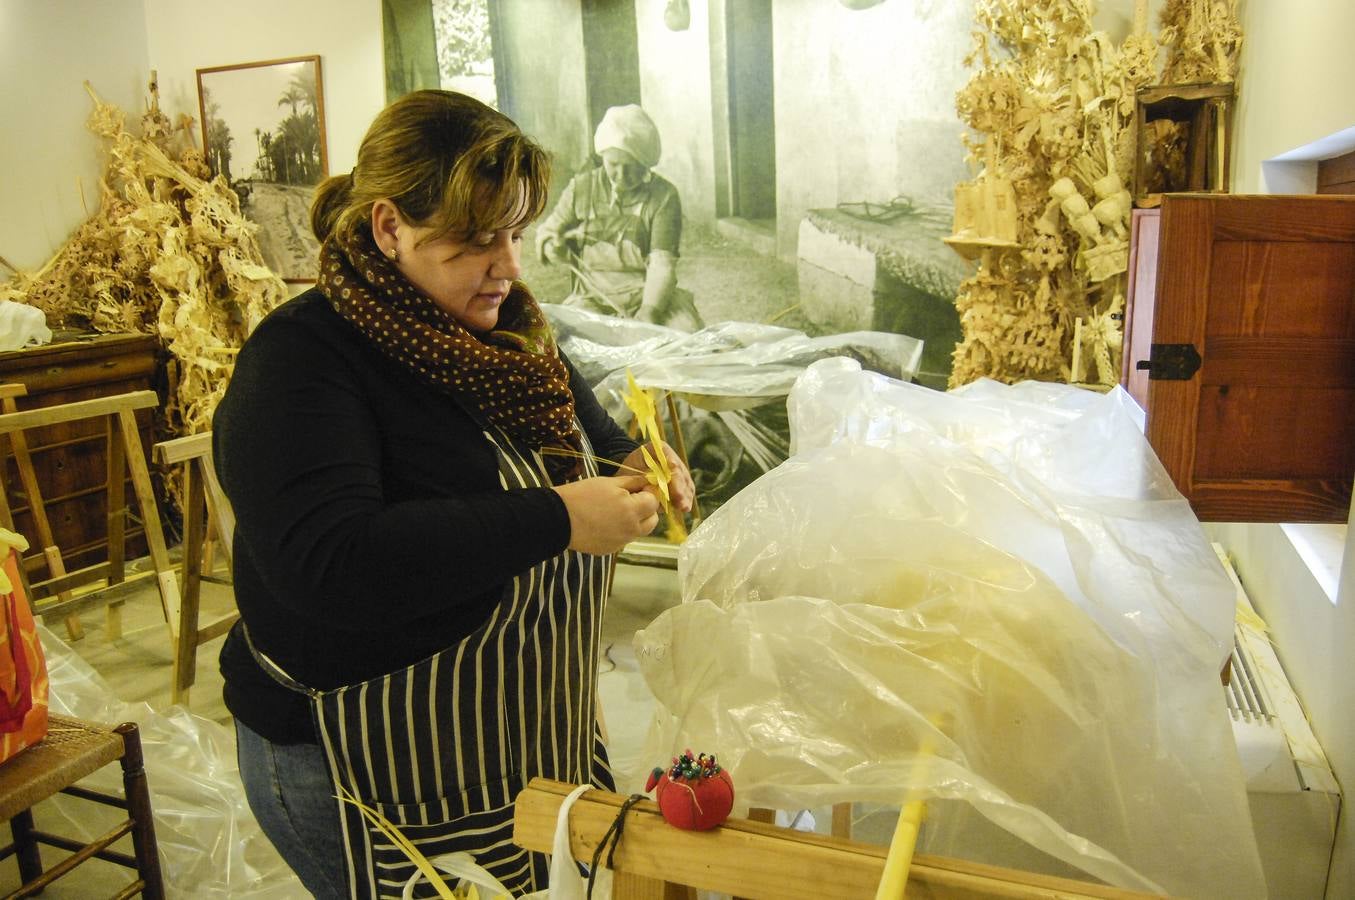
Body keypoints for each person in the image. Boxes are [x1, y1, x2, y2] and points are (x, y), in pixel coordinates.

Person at [212, 90, 694, 899]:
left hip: (523, 729)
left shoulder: (511, 333)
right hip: (366, 759)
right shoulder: (301, 360)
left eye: (513, 233)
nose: (508, 265)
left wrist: (640, 460)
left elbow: (597, 437)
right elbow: (331, 564)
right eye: (475, 242)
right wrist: (556, 518)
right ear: (389, 227)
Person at [535, 104, 704, 330]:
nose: (622, 175)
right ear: (602, 155)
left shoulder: (663, 195)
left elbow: (662, 263)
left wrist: (650, 310)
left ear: (645, 162)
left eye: (631, 166)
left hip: (650, 294)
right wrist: (552, 247)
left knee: (686, 333)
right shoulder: (582, 188)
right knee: (570, 339)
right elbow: (547, 232)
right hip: (592, 296)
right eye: (614, 164)